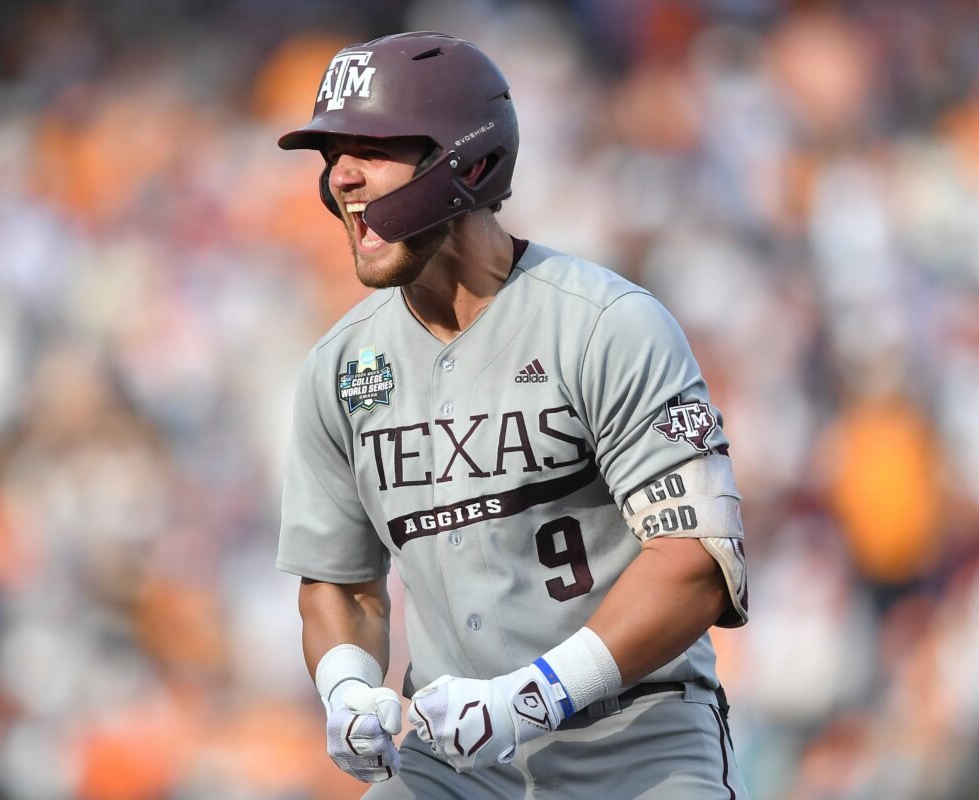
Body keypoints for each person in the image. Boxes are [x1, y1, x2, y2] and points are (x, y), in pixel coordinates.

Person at [275, 31, 749, 799]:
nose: (342, 177)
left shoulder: (607, 323)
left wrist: (530, 696)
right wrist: (346, 684)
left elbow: (695, 562)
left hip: (634, 742)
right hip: (453, 761)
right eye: (333, 155)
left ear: (466, 160)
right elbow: (339, 581)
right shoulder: (338, 368)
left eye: (373, 147)